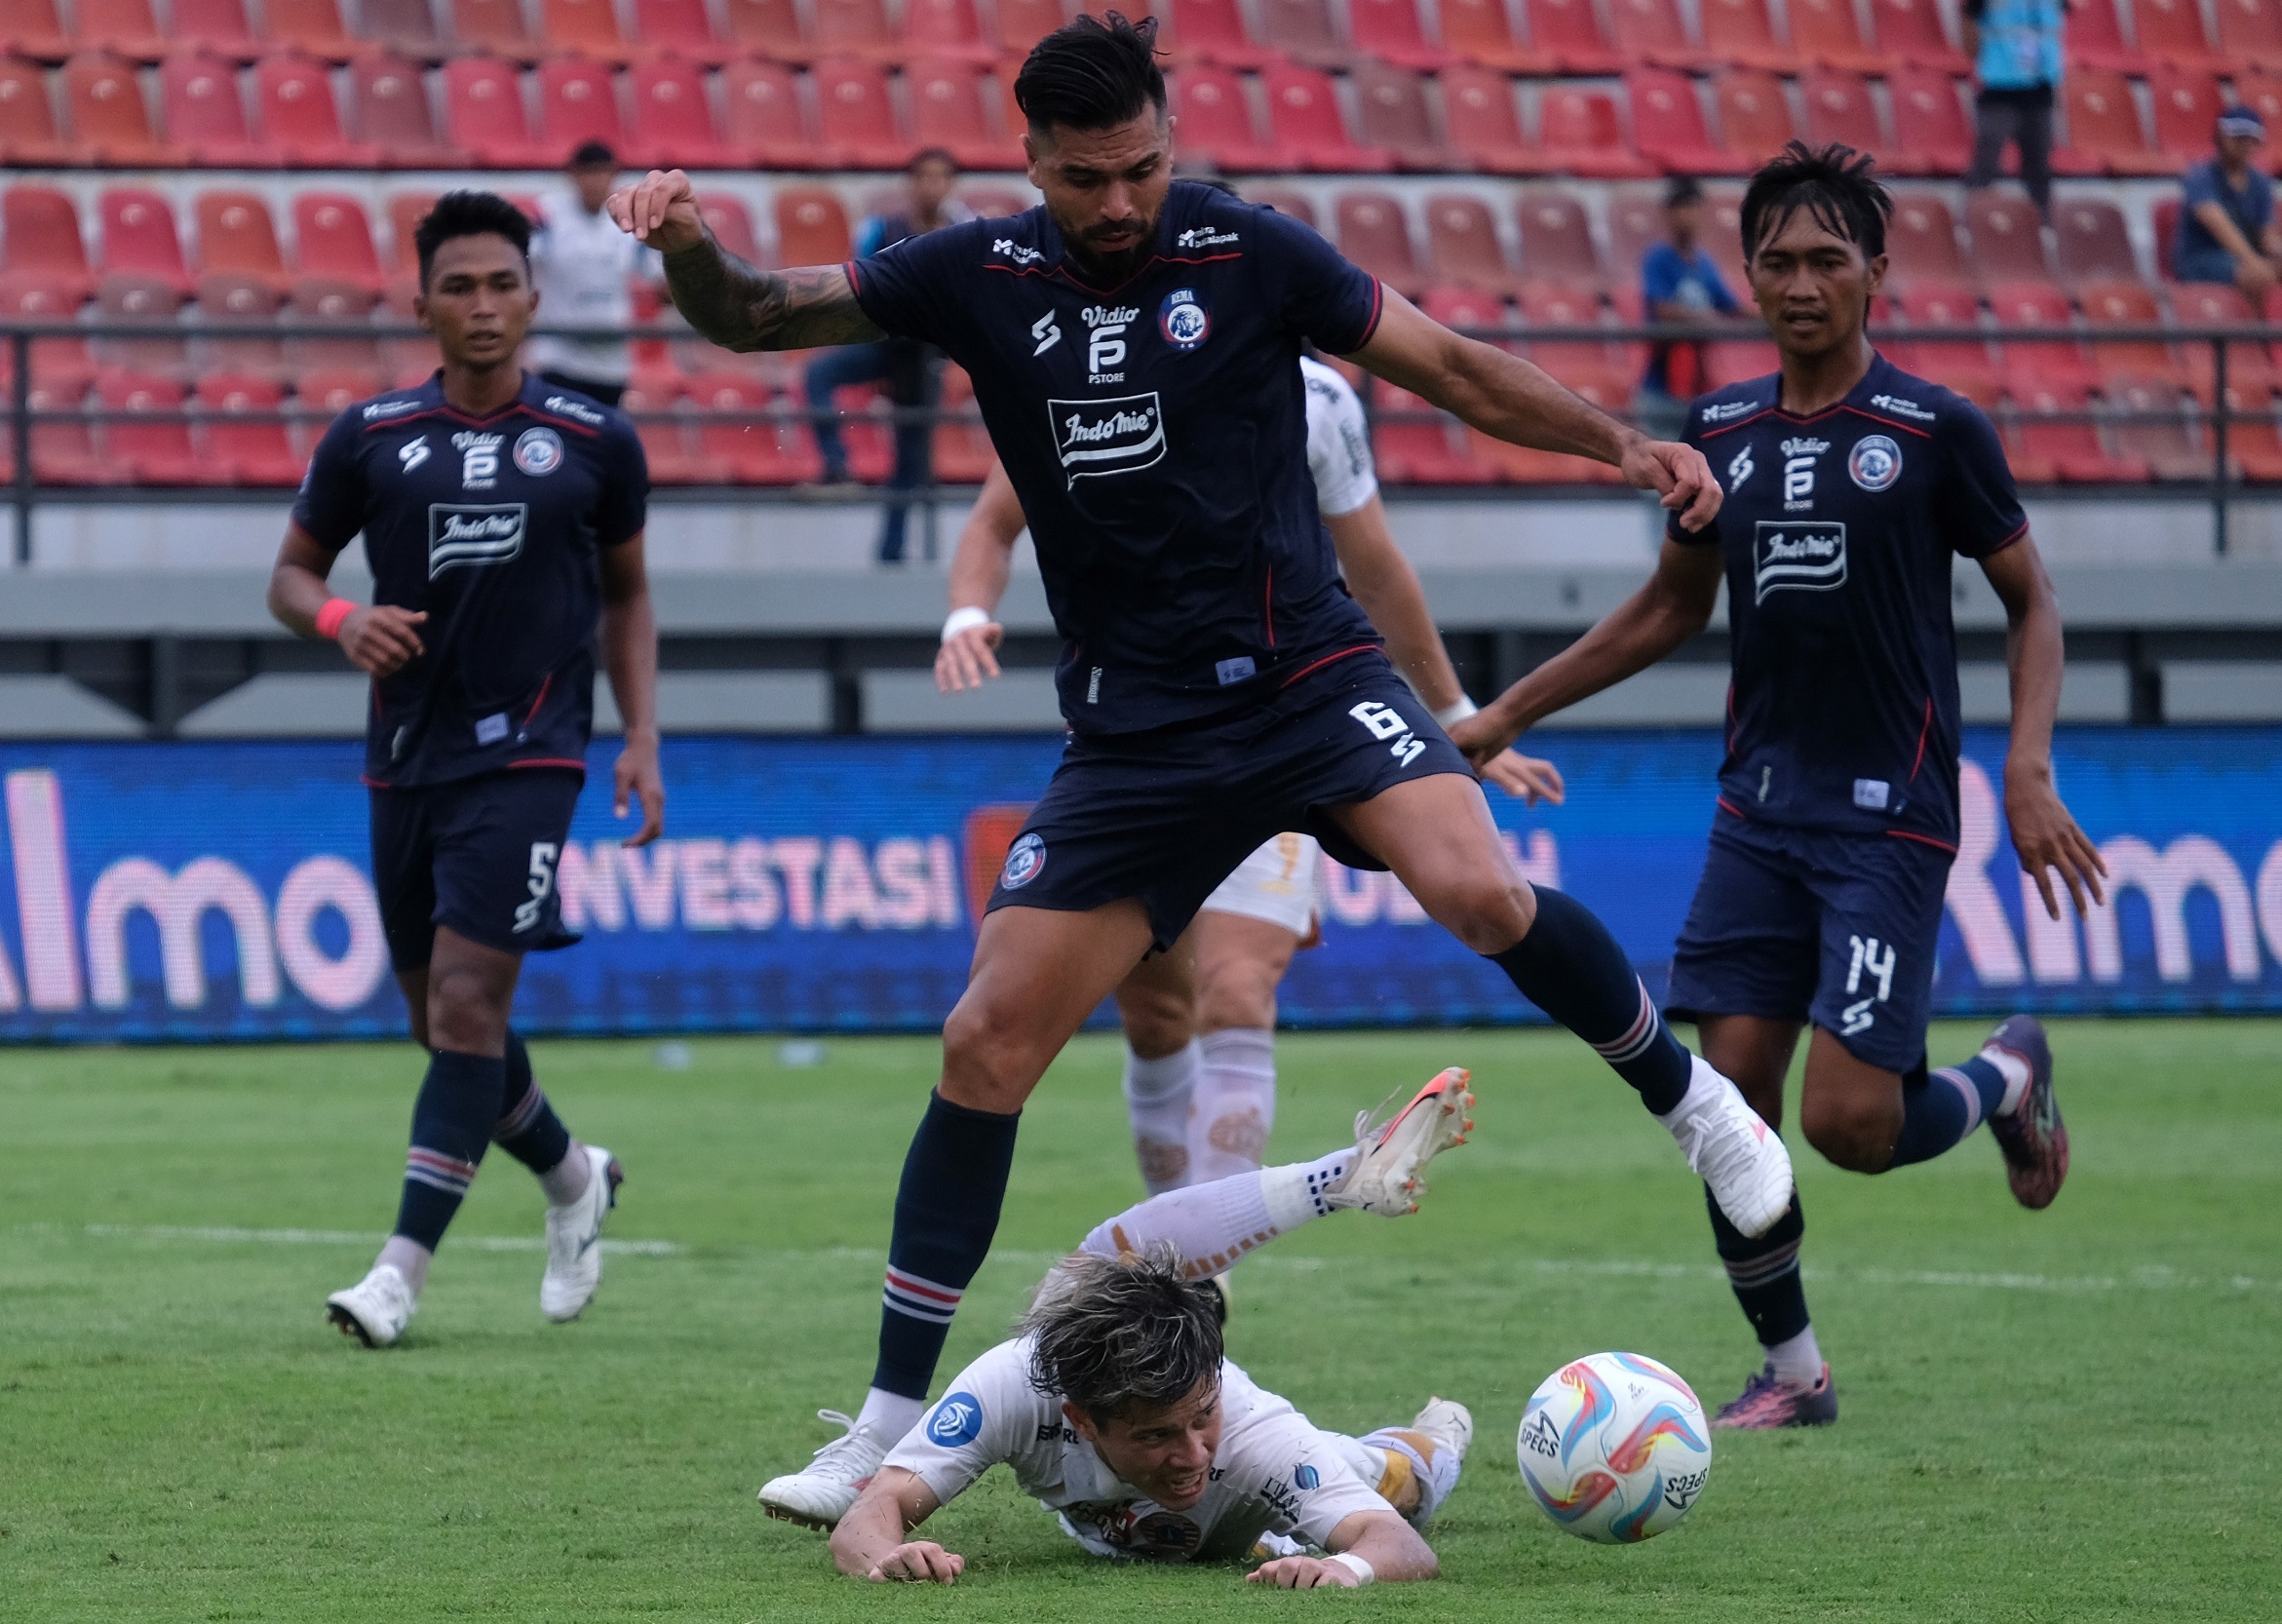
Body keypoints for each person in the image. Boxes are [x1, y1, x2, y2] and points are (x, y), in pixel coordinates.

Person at [609, 13, 1794, 1527]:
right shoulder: (971, 273)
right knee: (984, 1044)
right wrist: (688, 246)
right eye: (1090, 176)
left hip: (1308, 672)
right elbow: (756, 317)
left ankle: (1696, 1107)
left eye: (1145, 168)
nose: (1122, 201)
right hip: (1138, 734)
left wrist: (1623, 447)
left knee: (1480, 885)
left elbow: (1447, 365)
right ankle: (884, 1428)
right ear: (1030, 160)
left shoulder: (1251, 253)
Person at [1456, 144, 2110, 1430]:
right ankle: (1794, 1369)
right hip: (1757, 812)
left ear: (1876, 271)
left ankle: (2008, 1077)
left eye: (1827, 259)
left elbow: (2033, 602)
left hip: (1889, 820)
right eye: (1777, 260)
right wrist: (1500, 715)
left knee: (1855, 1124)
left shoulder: (1935, 431)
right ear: (1745, 275)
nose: (1801, 282)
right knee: (1729, 1102)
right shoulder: (1717, 434)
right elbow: (1665, 610)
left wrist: (2025, 767)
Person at [935, 352, 1565, 1200]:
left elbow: (1373, 564)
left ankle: (1203, 1280)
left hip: (1287, 730)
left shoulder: (1315, 395)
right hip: (1148, 747)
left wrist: (1455, 717)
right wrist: (970, 613)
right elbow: (991, 522)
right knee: (1158, 1017)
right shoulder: (1089, 382)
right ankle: (1174, 1238)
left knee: (1235, 991)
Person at [266, 191, 662, 1347]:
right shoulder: (370, 436)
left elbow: (630, 595)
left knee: (467, 1000)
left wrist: (639, 737)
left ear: (535, 297)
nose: (482, 306)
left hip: (537, 752)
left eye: (501, 284)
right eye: (459, 286)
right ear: (422, 301)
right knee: (440, 1026)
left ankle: (398, 1272)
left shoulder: (594, 439)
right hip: (404, 757)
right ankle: (572, 1174)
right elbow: (289, 577)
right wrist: (342, 616)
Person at [830, 1079, 1475, 1587]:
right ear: (1081, 1420)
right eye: (1156, 1434)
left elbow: (1398, 1546)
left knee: (1392, 1482)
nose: (1193, 1452)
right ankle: (1339, 1176)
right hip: (1143, 1524)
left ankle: (1432, 1438)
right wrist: (887, 1558)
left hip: (1277, 1492)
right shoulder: (1013, 1385)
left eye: (1201, 1420)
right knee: (1086, 1273)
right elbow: (872, 1513)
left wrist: (1344, 1568)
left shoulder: (1254, 1434)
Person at [801, 148, 966, 563]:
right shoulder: (882, 229)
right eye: (923, 176)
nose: (931, 185)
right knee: (818, 374)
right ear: (911, 183)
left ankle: (891, 552)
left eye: (940, 177)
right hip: (883, 340)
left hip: (925, 354)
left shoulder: (963, 232)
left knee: (910, 460)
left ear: (951, 185)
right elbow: (862, 280)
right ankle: (837, 465)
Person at [528, 141, 649, 406]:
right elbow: (522, 261)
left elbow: (657, 277)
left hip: (611, 363)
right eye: (589, 173)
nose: (595, 181)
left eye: (602, 172)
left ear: (614, 175)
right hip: (559, 360)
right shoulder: (549, 214)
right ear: (573, 175)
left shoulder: (628, 218)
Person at [1637, 176, 1746, 441]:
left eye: (1694, 208)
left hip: (1697, 386)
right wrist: (1707, 318)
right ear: (1669, 214)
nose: (1688, 216)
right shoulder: (1657, 258)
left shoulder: (1704, 263)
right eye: (1681, 208)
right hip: (1662, 388)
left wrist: (1769, 315)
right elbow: (1662, 309)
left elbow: (1731, 306)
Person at [1962, 0, 2061, 213]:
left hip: (2040, 87)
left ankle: (2044, 223)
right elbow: (1969, 21)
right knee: (1987, 156)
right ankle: (1972, 217)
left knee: (2039, 164)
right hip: (1999, 86)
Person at [2177, 105, 2282, 299]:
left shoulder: (2260, 182)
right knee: (2255, 275)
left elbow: (2266, 236)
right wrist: (2254, 262)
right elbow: (2217, 223)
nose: (2245, 143)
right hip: (2201, 259)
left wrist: (2277, 253)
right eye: (2238, 136)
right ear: (2221, 136)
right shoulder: (2200, 176)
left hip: (2245, 257)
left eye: (2251, 138)